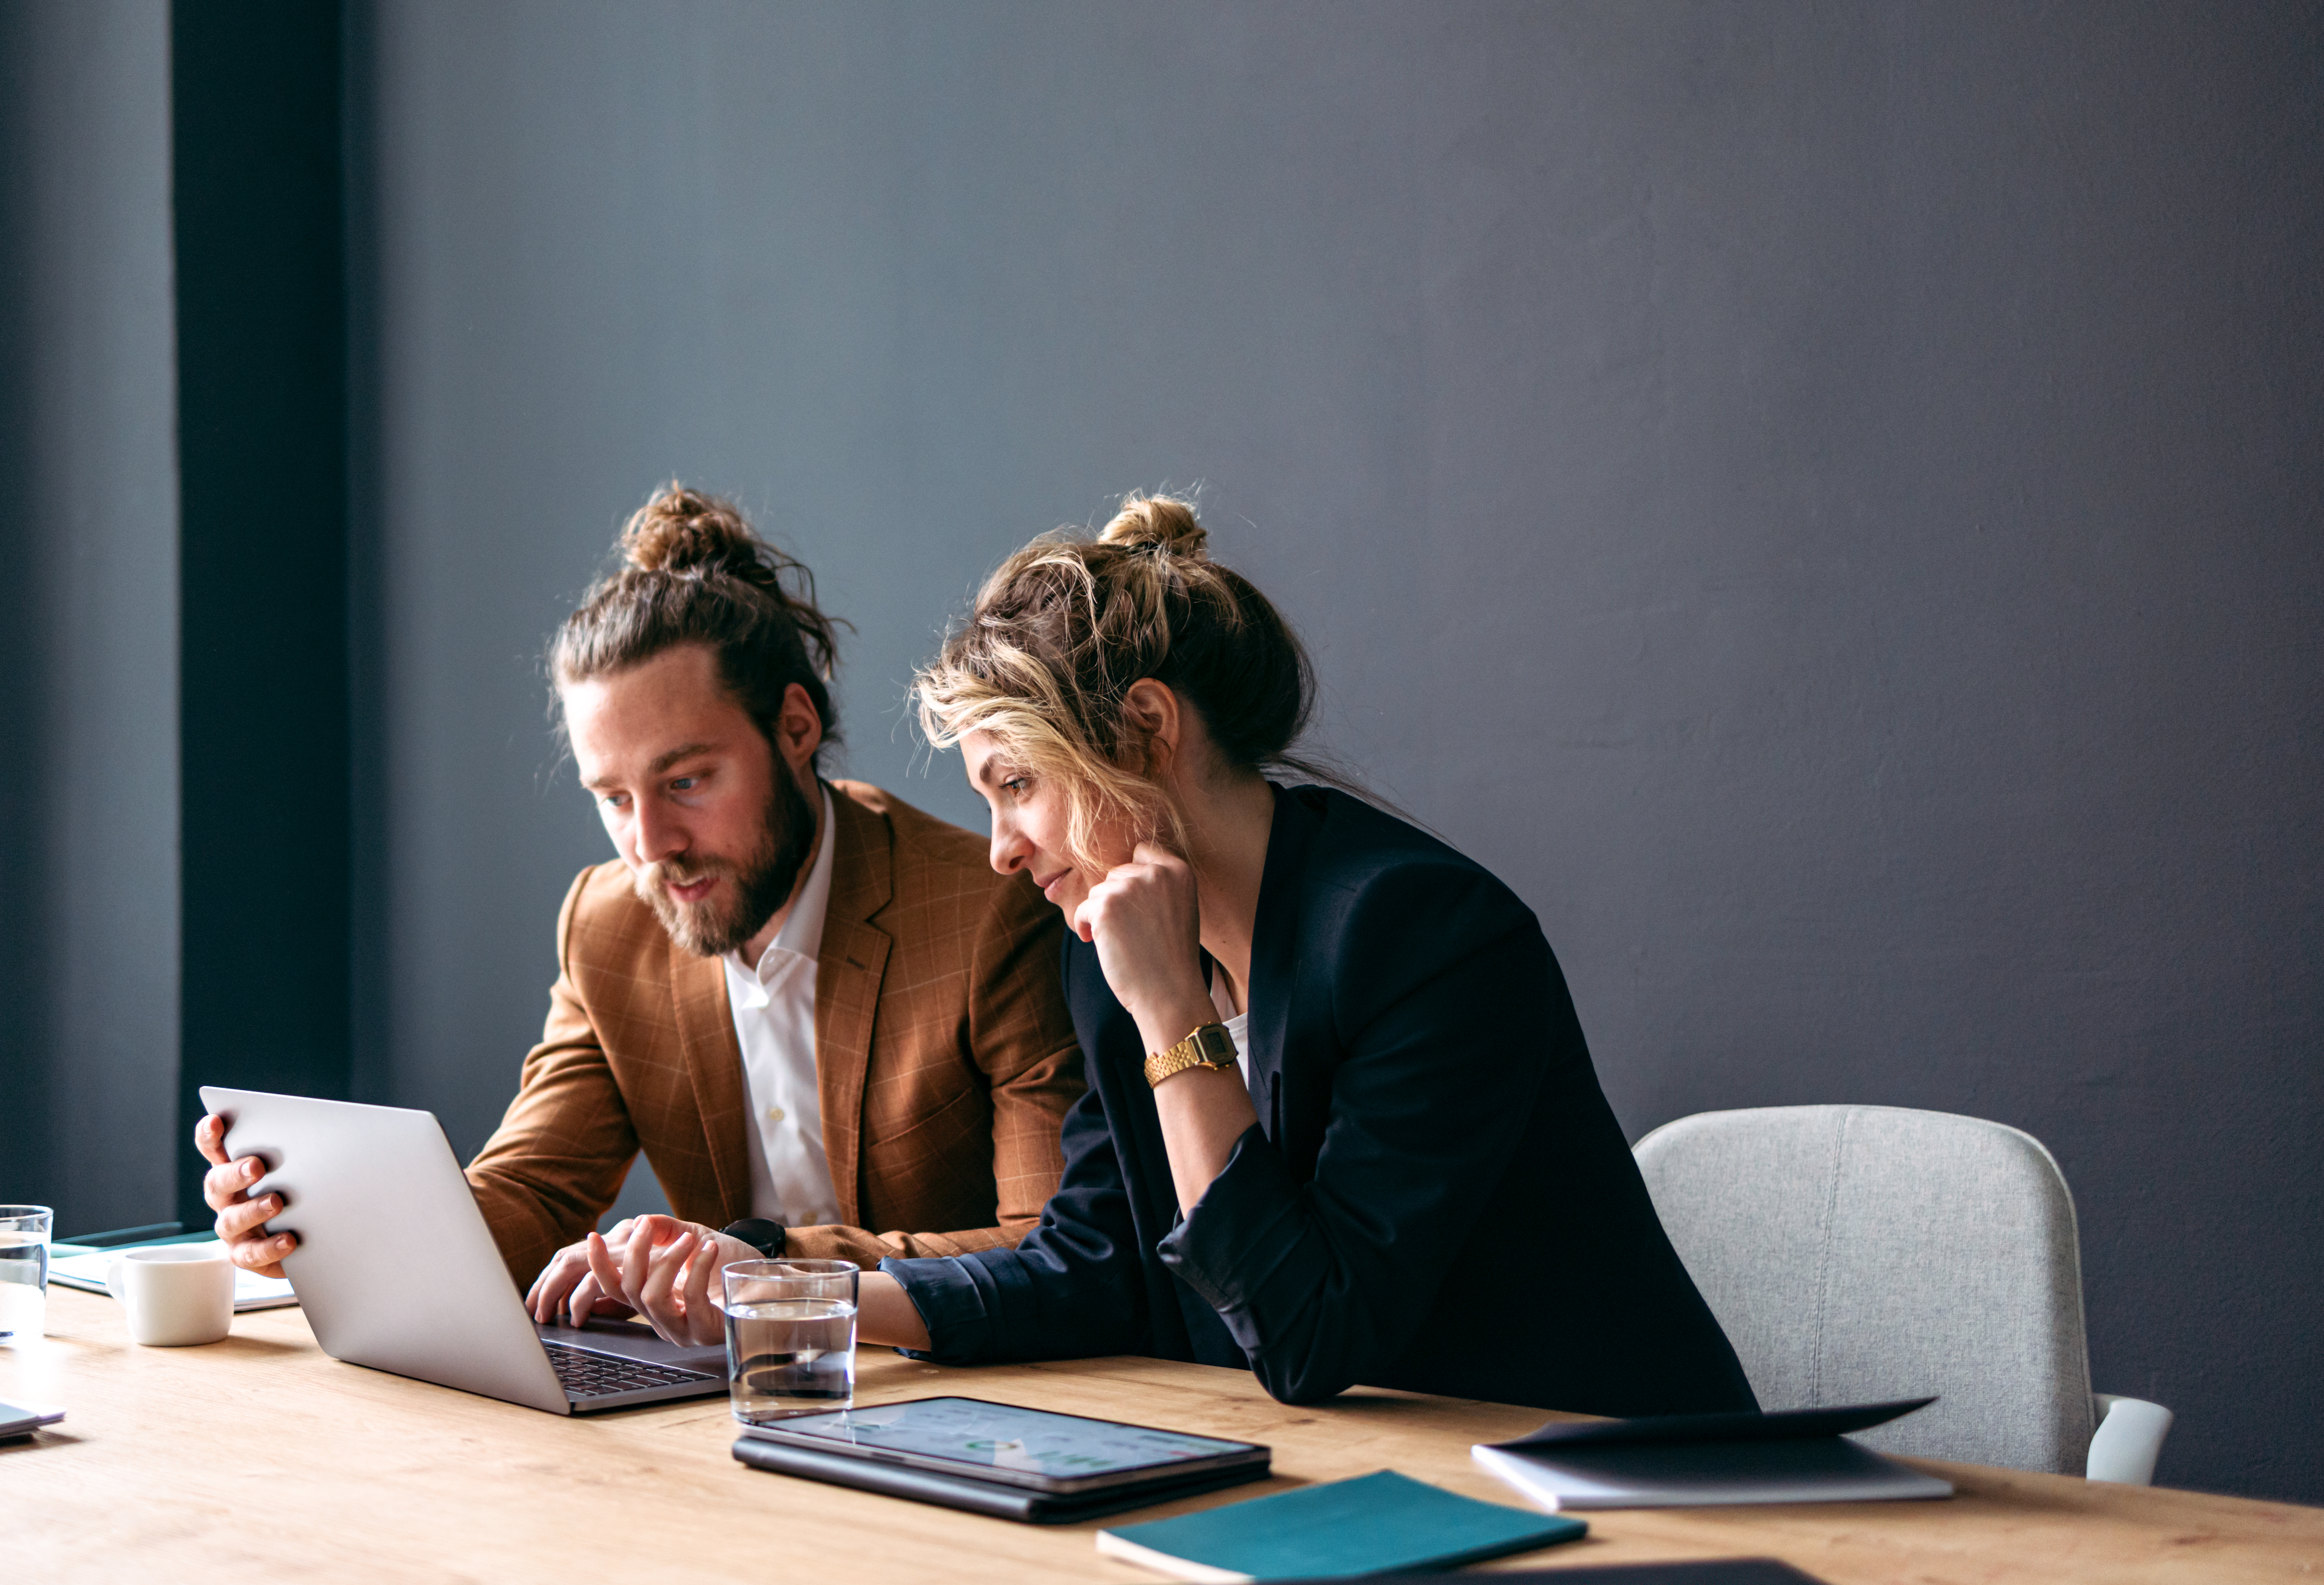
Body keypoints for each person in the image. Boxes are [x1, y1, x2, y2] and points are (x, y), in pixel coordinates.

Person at [595, 494, 1755, 1417]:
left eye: (1017, 785)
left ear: (1146, 729)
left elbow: (1311, 1336)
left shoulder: (1422, 938)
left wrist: (1174, 1021)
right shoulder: (1111, 954)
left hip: (1628, 1496)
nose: (1001, 850)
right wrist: (793, 1296)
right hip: (1375, 1490)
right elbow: (1094, 1267)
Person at [193, 486, 1085, 1319]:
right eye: (614, 798)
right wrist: (326, 1222)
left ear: (795, 727)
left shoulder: (989, 910)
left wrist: (756, 1259)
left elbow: (1044, 1243)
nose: (650, 843)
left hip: (949, 1391)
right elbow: (534, 1188)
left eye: (686, 780)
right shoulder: (608, 922)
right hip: (717, 1396)